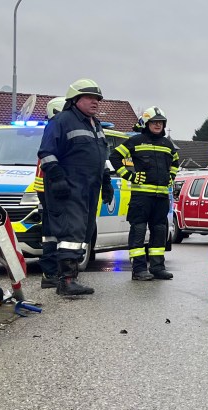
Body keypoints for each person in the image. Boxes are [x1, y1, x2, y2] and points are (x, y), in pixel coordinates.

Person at [38, 79, 112, 298]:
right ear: (75, 99)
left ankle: (68, 278)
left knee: (83, 232)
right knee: (71, 231)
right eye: (90, 98)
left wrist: (106, 182)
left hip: (89, 188)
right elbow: (47, 153)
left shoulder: (95, 124)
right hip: (70, 188)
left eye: (97, 99)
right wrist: (58, 178)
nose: (95, 102)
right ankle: (67, 280)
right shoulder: (62, 121)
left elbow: (101, 157)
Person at [111, 106, 181, 282]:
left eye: (161, 122)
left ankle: (157, 268)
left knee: (160, 231)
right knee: (139, 230)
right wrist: (130, 176)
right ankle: (139, 269)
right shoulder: (136, 141)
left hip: (161, 197)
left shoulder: (167, 144)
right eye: (154, 122)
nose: (158, 125)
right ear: (147, 124)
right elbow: (114, 157)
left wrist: (171, 176)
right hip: (141, 198)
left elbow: (175, 162)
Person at [32, 96, 66, 289]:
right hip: (52, 188)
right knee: (56, 232)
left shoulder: (53, 128)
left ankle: (52, 272)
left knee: (51, 232)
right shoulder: (56, 129)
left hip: (46, 189)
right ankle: (53, 272)